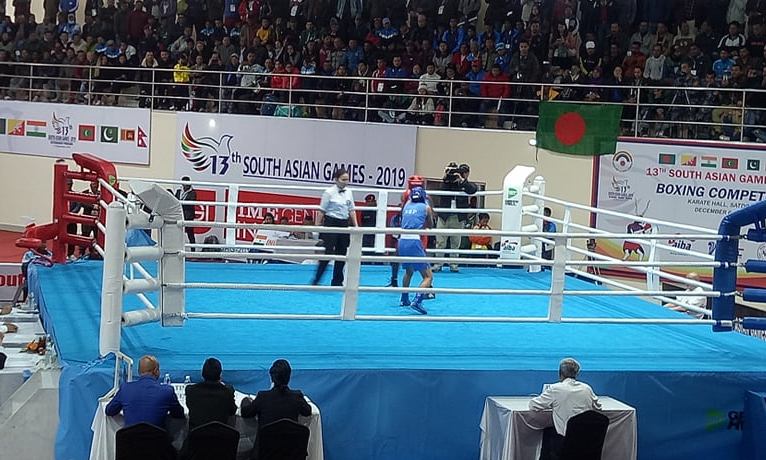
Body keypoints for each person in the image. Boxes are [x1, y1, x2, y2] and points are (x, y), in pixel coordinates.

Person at [529, 358, 602, 458]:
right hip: (588, 441)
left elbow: (533, 405)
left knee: (547, 433)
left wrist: (552, 403)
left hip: (564, 442)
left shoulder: (555, 389)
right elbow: (598, 407)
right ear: (577, 374)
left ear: (560, 373)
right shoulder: (587, 388)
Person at [105, 355, 185, 427]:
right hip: (157, 438)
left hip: (129, 438)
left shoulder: (125, 388)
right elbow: (179, 414)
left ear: (139, 371)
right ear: (156, 371)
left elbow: (109, 411)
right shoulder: (167, 391)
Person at [311, 168, 358, 286]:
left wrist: (356, 226)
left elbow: (352, 210)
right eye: (343, 179)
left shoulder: (349, 192)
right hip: (331, 222)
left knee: (342, 253)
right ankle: (317, 279)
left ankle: (337, 281)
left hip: (344, 223)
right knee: (328, 253)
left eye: (347, 179)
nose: (346, 182)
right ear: (336, 179)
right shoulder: (329, 192)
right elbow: (321, 211)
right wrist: (316, 228)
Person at [240, 359, 312, 426]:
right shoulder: (297, 396)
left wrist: (246, 400)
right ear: (289, 377)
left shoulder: (262, 397)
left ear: (272, 378)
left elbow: (245, 413)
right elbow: (307, 411)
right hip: (290, 436)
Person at [434, 162, 477, 273]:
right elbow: (441, 192)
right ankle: (438, 264)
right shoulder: (446, 182)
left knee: (455, 242)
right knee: (440, 242)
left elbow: (473, 190)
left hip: (457, 217)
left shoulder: (465, 184)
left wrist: (462, 181)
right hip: (444, 216)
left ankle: (453, 265)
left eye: (464, 172)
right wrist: (446, 177)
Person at [398, 187, 435, 315]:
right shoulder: (426, 207)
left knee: (409, 271)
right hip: (414, 241)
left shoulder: (407, 205)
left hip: (402, 241)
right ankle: (417, 301)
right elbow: (430, 225)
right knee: (428, 276)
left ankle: (404, 298)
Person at [184, 357, 237, 430]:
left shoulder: (191, 391)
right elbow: (233, 411)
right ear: (220, 374)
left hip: (196, 435)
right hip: (221, 435)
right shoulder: (228, 391)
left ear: (202, 373)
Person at [175, 176, 197, 250]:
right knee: (178, 233)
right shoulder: (178, 191)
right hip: (179, 215)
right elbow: (174, 200)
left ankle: (193, 251)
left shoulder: (193, 193)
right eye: (183, 183)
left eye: (186, 184)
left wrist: (180, 203)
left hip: (188, 216)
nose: (185, 185)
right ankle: (177, 249)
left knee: (190, 234)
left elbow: (190, 203)